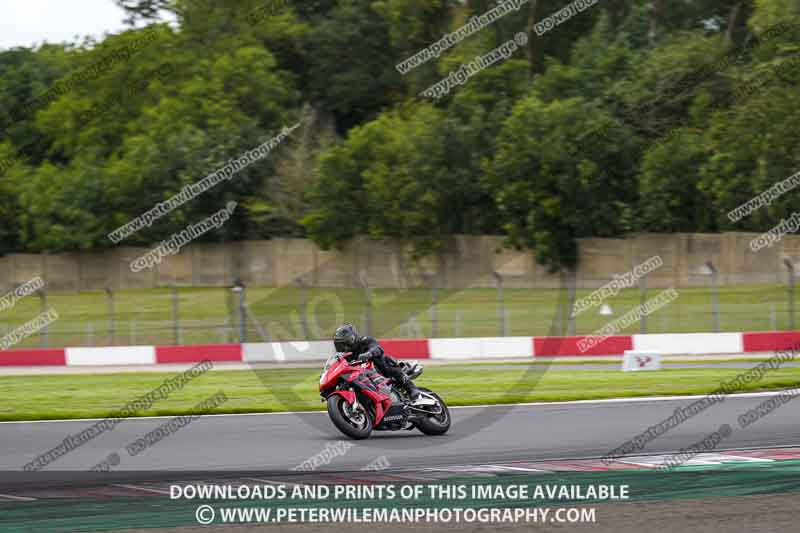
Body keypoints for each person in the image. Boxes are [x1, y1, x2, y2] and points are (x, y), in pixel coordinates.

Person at [333, 323, 421, 401]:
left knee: (386, 366)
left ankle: (412, 389)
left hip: (379, 370)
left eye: (345, 344)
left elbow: (377, 348)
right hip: (364, 376)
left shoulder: (365, 340)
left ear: (352, 339)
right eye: (340, 345)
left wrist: (369, 354)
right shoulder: (347, 355)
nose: (344, 348)